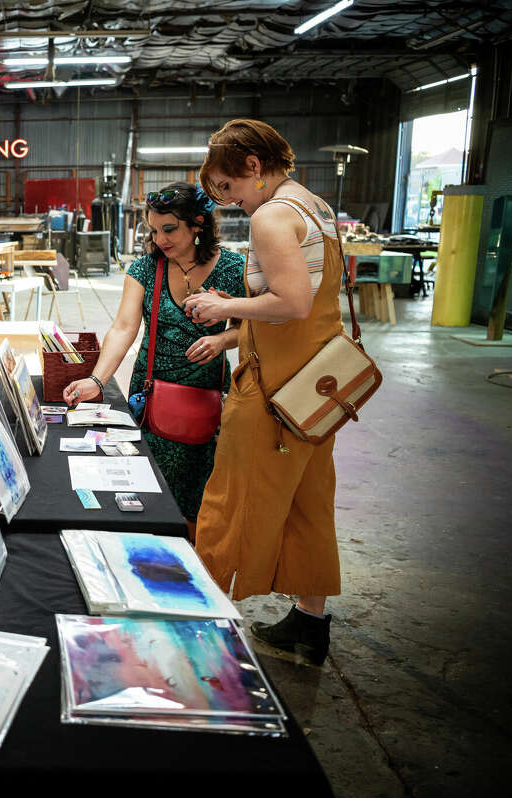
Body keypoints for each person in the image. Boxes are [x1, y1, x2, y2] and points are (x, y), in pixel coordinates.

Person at [183, 118, 345, 666]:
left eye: (228, 188)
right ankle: (310, 623)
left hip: (275, 385)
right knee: (308, 501)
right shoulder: (314, 208)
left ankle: (198, 626)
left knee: (229, 501)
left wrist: (224, 306)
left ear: (254, 167)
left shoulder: (273, 216)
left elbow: (293, 302)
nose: (230, 203)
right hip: (316, 384)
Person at [63, 182, 246, 528]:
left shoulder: (234, 269)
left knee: (201, 502)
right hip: (151, 398)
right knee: (147, 498)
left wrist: (222, 340)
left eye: (170, 229)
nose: (160, 238)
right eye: (154, 230)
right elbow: (123, 328)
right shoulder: (146, 269)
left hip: (207, 401)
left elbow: (251, 328)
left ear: (198, 223)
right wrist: (96, 381)